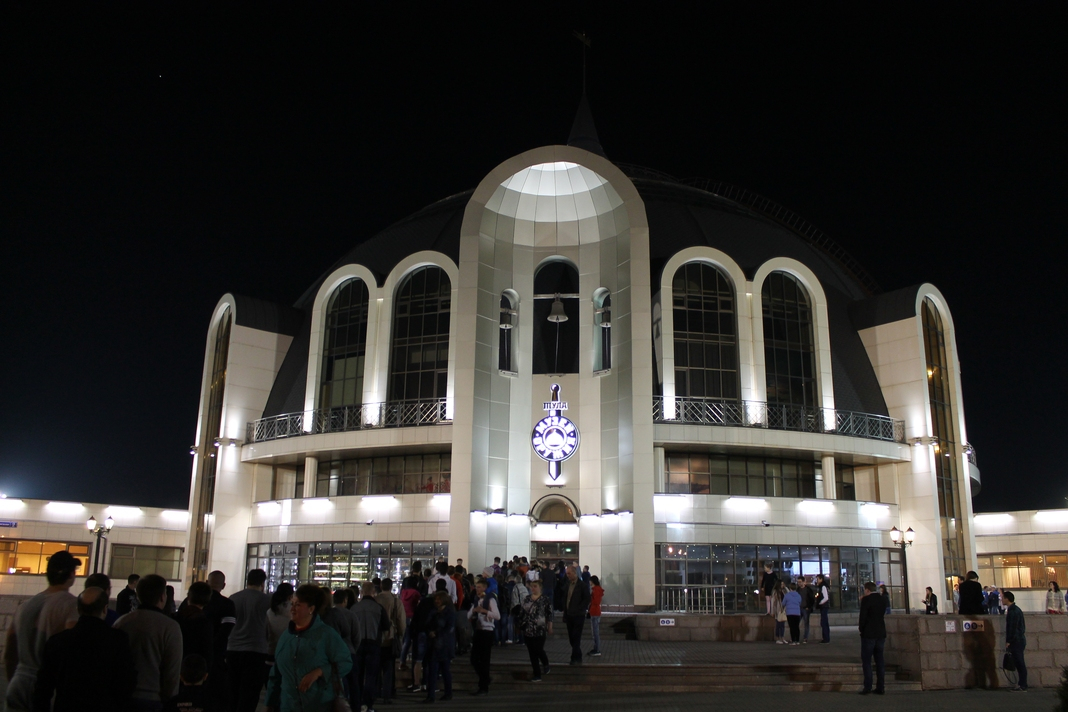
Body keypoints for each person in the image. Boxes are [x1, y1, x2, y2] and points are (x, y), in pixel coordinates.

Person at [32, 586, 136, 711]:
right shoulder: (118, 640)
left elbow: (43, 687)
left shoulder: (58, 641)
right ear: (105, 609)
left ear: (78, 609)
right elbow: (126, 682)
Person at [4, 550, 81, 711]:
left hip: (19, 680)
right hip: (48, 686)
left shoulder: (25, 606)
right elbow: (72, 651)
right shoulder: (71, 606)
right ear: (71, 575)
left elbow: (10, 651)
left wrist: (14, 679)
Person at [265, 584, 353, 712]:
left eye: (298, 605)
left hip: (319, 705)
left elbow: (345, 662)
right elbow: (276, 674)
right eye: (292, 604)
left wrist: (320, 671)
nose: (292, 609)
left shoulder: (326, 635)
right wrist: (269, 704)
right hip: (289, 706)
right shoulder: (286, 637)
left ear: (311, 609)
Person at [115, 573, 184, 711]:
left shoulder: (122, 622)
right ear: (162, 597)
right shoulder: (170, 627)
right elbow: (172, 671)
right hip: (154, 698)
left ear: (138, 596)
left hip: (122, 697)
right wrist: (169, 699)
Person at [227, 568, 273, 712]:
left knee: (233, 690)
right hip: (256, 650)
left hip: (233, 648)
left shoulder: (233, 598)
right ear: (262, 583)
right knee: (250, 693)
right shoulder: (266, 600)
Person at [351, 580, 389, 711]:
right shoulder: (378, 608)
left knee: (358, 675)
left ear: (362, 592)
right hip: (374, 644)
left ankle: (357, 702)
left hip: (358, 644)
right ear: (374, 592)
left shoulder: (355, 608)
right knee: (371, 676)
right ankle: (368, 704)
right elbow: (386, 626)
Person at [202, 570, 237, 709]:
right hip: (217, 658)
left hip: (193, 656)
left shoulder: (194, 601)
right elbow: (226, 631)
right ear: (223, 585)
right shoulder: (227, 604)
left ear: (207, 583)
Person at [375, 577, 406, 704]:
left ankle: (376, 691)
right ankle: (388, 694)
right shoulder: (396, 601)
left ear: (381, 586)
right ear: (391, 587)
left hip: (376, 637)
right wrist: (401, 634)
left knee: (376, 667)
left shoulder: (375, 600)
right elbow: (401, 620)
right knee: (389, 667)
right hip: (390, 636)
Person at [467, 577, 500, 695]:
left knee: (484, 659)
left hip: (487, 631)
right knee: (474, 659)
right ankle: (485, 678)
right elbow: (468, 615)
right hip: (478, 630)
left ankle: (483, 687)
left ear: (485, 588)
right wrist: (474, 611)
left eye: (479, 587)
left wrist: (485, 611)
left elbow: (497, 616)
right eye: (476, 587)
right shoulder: (477, 600)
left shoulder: (490, 599)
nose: (477, 589)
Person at [423, 590, 455, 702]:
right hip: (434, 645)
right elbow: (426, 624)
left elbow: (449, 628)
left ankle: (448, 693)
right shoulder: (434, 612)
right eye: (436, 599)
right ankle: (431, 695)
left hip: (444, 645)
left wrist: (436, 633)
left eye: (439, 599)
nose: (437, 601)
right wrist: (429, 632)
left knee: (445, 670)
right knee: (432, 670)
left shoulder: (449, 613)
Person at [519, 579, 553, 681]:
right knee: (532, 653)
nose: (533, 588)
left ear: (540, 588)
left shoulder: (545, 599)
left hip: (540, 629)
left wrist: (550, 626)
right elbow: (522, 612)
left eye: (535, 586)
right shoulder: (527, 599)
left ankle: (545, 663)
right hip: (528, 629)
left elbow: (549, 614)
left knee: (538, 649)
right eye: (531, 586)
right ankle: (537, 674)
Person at [858, 581, 886, 695]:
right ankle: (880, 687)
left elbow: (863, 617)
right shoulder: (882, 599)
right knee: (880, 661)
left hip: (869, 634)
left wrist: (861, 629)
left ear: (867, 590)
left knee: (867, 661)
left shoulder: (866, 600)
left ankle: (868, 686)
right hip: (880, 633)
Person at [177, 582, 215, 666]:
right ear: (208, 600)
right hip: (195, 666)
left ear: (188, 596)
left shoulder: (175, 618)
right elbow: (207, 651)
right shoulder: (205, 623)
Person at [562, 565, 591, 664]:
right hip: (569, 614)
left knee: (576, 636)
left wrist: (580, 608)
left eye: (569, 573)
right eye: (567, 574)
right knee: (571, 637)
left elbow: (587, 598)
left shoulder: (582, 585)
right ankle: (578, 655)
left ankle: (575, 658)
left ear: (574, 573)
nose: (567, 576)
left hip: (578, 615)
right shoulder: (568, 585)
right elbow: (566, 598)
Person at [1003, 590, 1027, 692]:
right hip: (1019, 640)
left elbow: (1012, 628)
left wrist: (1008, 641)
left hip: (1016, 641)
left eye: (1003, 598)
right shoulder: (1016, 609)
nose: (1002, 600)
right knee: (1019, 663)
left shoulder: (1013, 611)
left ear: (1007, 599)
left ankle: (1022, 685)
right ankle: (1022, 684)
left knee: (1020, 663)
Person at [265, 583, 294, 662]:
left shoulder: (270, 611)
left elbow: (266, 634)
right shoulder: (294, 611)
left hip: (271, 652)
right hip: (288, 654)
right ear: (290, 596)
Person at [399, 577, 421, 670]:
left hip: (404, 617)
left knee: (405, 640)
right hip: (412, 617)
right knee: (410, 640)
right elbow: (418, 605)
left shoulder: (403, 592)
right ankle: (410, 661)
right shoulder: (416, 593)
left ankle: (402, 660)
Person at [587, 575, 603, 656]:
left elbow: (596, 601)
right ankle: (596, 648)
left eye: (590, 581)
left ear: (592, 581)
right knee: (594, 632)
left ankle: (597, 649)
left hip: (595, 612)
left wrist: (590, 598)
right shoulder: (596, 589)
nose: (589, 582)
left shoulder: (596, 590)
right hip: (594, 612)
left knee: (595, 632)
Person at [797, 576, 815, 643]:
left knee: (806, 623)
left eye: (800, 582)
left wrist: (809, 606)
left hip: (806, 608)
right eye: (798, 582)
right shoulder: (798, 590)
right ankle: (796, 637)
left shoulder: (808, 590)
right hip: (799, 608)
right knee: (797, 623)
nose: (799, 583)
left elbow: (812, 599)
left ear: (804, 582)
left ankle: (805, 637)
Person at [815, 573, 831, 643]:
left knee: (824, 622)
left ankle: (826, 638)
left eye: (818, 579)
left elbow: (826, 597)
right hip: (824, 606)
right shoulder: (823, 586)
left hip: (824, 606)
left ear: (821, 579)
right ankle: (826, 638)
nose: (817, 580)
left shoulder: (823, 586)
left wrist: (820, 603)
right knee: (824, 622)